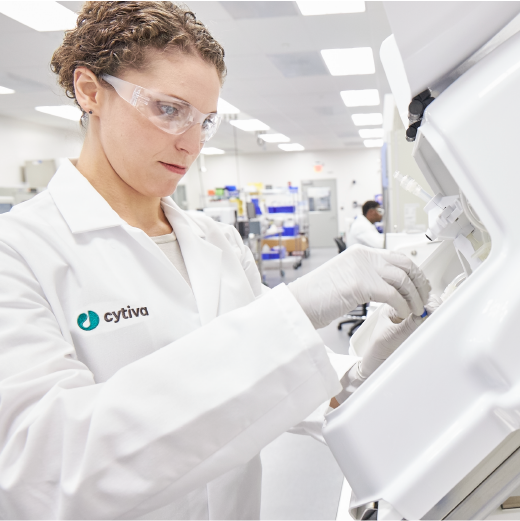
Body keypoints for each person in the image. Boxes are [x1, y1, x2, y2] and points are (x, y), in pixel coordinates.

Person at [0, 3, 432, 519]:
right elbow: (47, 467)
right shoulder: (19, 251)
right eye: (168, 109)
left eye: (205, 120)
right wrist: (296, 308)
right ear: (91, 91)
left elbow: (266, 385)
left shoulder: (217, 241)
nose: (192, 143)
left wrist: (360, 372)